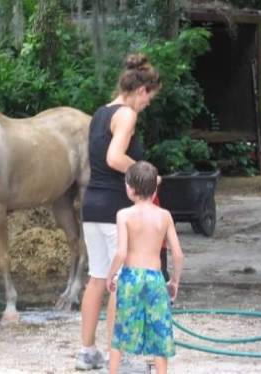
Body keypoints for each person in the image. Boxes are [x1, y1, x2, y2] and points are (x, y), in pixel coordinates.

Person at [76, 53, 162, 370]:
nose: (148, 104)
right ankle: (119, 358)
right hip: (115, 209)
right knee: (120, 283)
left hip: (92, 208)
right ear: (141, 91)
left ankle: (87, 352)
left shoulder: (101, 113)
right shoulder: (126, 114)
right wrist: (146, 175)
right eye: (150, 97)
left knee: (98, 278)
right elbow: (114, 157)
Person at [106, 161, 184, 374]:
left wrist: (110, 275)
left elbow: (121, 252)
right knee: (159, 332)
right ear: (155, 188)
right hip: (155, 278)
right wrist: (174, 281)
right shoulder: (164, 215)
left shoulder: (123, 215)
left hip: (130, 277)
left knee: (121, 332)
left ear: (130, 188)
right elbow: (177, 254)